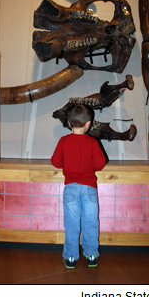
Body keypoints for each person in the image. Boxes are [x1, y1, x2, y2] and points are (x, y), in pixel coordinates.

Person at [51, 104, 106, 269]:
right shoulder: (92, 142)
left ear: (69, 122)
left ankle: (70, 257)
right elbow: (100, 164)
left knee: (71, 223)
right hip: (89, 188)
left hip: (70, 188)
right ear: (88, 124)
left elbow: (55, 162)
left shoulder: (63, 141)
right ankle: (91, 255)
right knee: (90, 222)